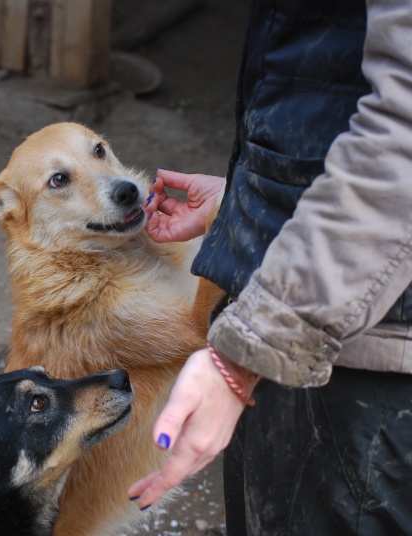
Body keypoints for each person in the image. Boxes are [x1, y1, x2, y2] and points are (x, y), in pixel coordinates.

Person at [127, 0, 412, 534]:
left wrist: (249, 348)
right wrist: (249, 200)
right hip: (315, 315)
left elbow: (404, 138)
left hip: (360, 363)